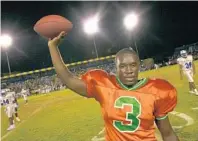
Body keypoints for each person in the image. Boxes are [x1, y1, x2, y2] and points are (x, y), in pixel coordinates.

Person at [48, 31, 179, 141]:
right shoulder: (104, 86)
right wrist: (53, 47)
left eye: (133, 65)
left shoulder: (157, 91)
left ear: (139, 65)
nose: (128, 70)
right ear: (116, 68)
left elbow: (167, 134)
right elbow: (68, 79)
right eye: (122, 66)